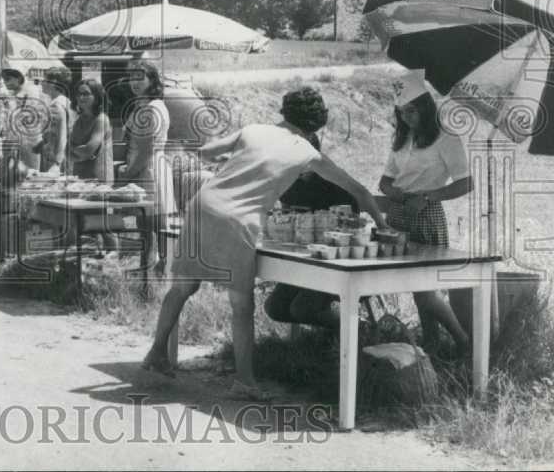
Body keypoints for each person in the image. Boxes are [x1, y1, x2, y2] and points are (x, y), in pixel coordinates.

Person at [142, 87, 389, 397]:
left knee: (182, 287)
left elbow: (204, 152)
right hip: (238, 218)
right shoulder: (307, 152)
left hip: (202, 204)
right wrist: (381, 224)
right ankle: (244, 382)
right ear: (316, 125)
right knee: (241, 305)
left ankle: (157, 352)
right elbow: (359, 192)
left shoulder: (254, 130)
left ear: (284, 113)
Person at [379, 70, 473, 354]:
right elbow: (385, 180)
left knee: (424, 288)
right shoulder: (402, 139)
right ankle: (432, 344)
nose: (407, 118)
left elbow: (466, 182)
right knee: (417, 291)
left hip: (426, 215)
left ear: (425, 108)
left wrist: (430, 197)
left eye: (411, 111)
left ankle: (463, 341)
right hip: (398, 215)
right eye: (401, 113)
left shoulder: (446, 138)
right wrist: (392, 192)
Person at [263, 90, 352, 331]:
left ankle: (355, 332)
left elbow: (351, 223)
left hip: (333, 263)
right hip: (302, 260)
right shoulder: (288, 183)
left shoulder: (333, 184)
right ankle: (324, 338)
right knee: (274, 308)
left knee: (302, 308)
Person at [118, 60, 177, 262]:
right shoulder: (141, 106)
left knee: (154, 224)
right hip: (144, 166)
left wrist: (128, 174)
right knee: (146, 226)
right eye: (131, 77)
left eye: (139, 77)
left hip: (148, 168)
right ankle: (150, 273)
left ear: (152, 80)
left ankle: (157, 274)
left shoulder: (151, 108)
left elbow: (146, 150)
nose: (134, 82)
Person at [1, 67, 46, 171]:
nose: (5, 83)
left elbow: (27, 115)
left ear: (18, 78)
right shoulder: (13, 95)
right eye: (4, 80)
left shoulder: (30, 91)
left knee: (31, 171)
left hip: (30, 140)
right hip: (17, 140)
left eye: (8, 79)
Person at [69, 79, 113, 182]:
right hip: (79, 176)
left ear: (97, 97)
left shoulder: (101, 119)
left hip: (99, 178)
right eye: (79, 94)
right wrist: (78, 151)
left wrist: (74, 149)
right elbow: (67, 152)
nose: (81, 97)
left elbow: (88, 150)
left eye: (86, 94)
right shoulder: (78, 120)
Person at [39, 65, 74, 174]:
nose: (41, 83)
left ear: (53, 82)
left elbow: (61, 135)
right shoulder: (66, 101)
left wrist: (56, 163)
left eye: (44, 80)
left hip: (55, 160)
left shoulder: (56, 105)